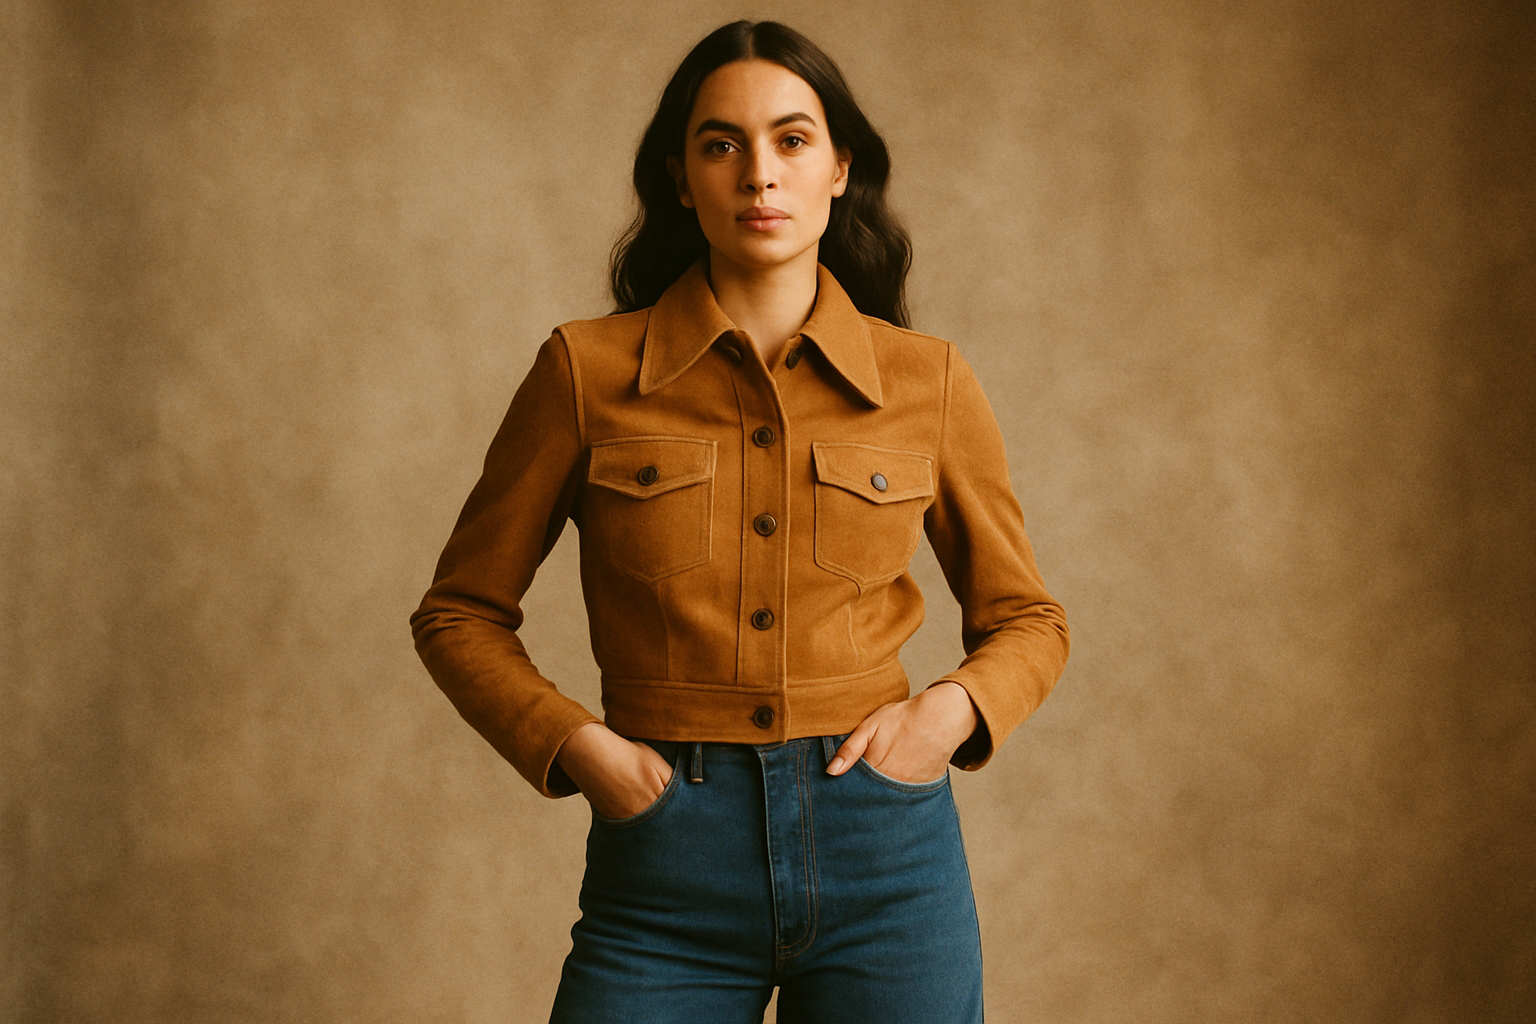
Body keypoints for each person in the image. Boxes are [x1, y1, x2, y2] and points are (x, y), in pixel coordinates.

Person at [410, 20, 1069, 1024]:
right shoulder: (584, 373)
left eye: (792, 140)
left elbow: (1028, 616)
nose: (759, 174)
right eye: (721, 144)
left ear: (841, 168)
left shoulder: (925, 381)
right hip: (664, 860)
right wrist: (586, 750)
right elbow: (458, 611)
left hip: (887, 860)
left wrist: (943, 718)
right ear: (681, 176)